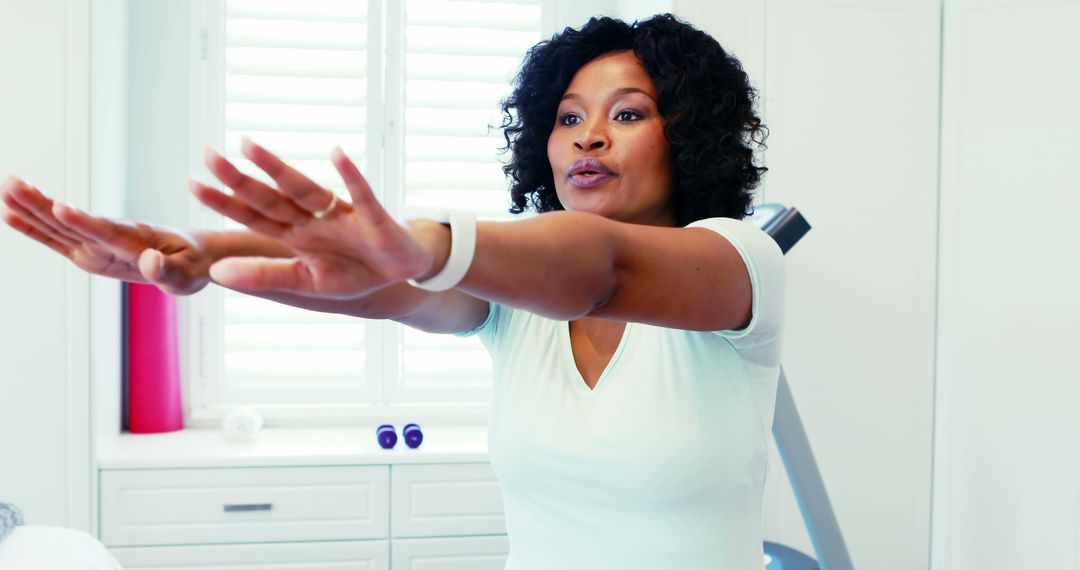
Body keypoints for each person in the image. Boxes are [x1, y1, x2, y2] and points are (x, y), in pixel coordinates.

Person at [1, 13, 784, 569]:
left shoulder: (739, 261)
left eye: (629, 114)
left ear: (687, 134)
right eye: (568, 116)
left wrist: (427, 244)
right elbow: (386, 286)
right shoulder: (512, 298)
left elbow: (604, 268)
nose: (588, 136)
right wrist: (204, 253)